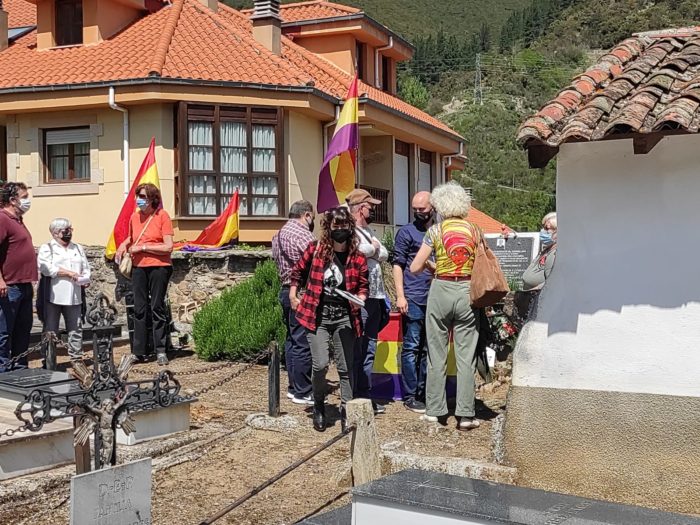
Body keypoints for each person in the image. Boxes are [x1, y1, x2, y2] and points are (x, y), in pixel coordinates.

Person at [410, 181, 482, 431]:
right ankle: (466, 414)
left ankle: (434, 411)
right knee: (466, 356)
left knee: (436, 353)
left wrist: (435, 265)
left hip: (441, 289)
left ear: (440, 206)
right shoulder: (475, 231)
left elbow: (415, 267)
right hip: (467, 291)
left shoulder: (435, 231)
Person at [289, 207, 368, 432]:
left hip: (345, 316)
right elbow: (297, 272)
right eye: (336, 226)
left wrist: (360, 299)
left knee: (345, 367)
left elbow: (363, 286)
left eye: (344, 226)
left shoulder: (358, 257)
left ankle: (346, 410)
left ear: (350, 227)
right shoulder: (316, 250)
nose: (340, 230)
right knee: (320, 364)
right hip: (318, 316)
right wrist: (293, 294)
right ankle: (319, 405)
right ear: (328, 227)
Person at [115, 183, 174, 365]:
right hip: (139, 267)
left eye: (142, 196)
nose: (138, 200)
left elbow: (168, 246)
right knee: (139, 309)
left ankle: (160, 350)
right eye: (138, 196)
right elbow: (134, 237)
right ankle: (138, 351)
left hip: (159, 267)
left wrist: (143, 248)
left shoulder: (162, 216)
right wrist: (124, 244)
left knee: (157, 307)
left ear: (152, 199)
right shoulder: (134, 217)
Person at [346, 189, 389, 415]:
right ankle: (356, 393)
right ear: (361, 208)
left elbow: (385, 254)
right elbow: (356, 251)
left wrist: (374, 250)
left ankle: (365, 393)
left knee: (370, 345)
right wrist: (373, 249)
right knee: (359, 346)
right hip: (360, 297)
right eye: (370, 207)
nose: (373, 211)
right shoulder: (349, 230)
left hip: (376, 296)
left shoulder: (369, 230)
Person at [392, 191, 435, 413]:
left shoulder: (439, 231)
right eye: (415, 209)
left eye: (422, 209)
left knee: (428, 348)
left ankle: (424, 392)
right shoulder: (406, 232)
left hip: (435, 297)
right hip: (414, 296)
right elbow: (397, 264)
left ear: (432, 208)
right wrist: (400, 295)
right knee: (411, 346)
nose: (418, 213)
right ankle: (410, 395)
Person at [271, 200, 316, 405]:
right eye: (311, 217)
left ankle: (293, 387)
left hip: (285, 289)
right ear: (306, 215)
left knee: (291, 339)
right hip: (301, 291)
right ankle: (303, 390)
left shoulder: (278, 235)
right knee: (303, 341)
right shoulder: (302, 234)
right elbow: (317, 260)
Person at [37, 218, 91, 363]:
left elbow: (85, 267)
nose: (69, 232)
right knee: (50, 329)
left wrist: (85, 278)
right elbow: (46, 269)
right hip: (53, 295)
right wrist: (68, 273)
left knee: (76, 328)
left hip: (74, 295)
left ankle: (76, 359)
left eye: (70, 229)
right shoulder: (47, 248)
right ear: (55, 233)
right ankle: (49, 360)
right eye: (65, 230)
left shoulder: (77, 248)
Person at [0, 182, 37, 373]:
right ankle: (3, 370)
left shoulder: (18, 220)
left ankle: (20, 368)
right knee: (4, 330)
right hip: (10, 285)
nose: (27, 201)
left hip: (24, 284)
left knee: (23, 329)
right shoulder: (3, 218)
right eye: (24, 197)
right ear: (13, 200)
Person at [518, 212, 557, 320]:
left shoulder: (555, 253)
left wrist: (533, 290)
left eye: (547, 228)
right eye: (543, 227)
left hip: (539, 306)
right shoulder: (546, 250)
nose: (543, 231)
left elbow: (552, 282)